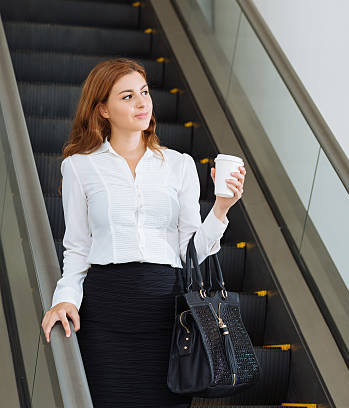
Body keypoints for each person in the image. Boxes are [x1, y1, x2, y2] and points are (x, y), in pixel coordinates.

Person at [40, 57, 246, 408]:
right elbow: (76, 249)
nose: (142, 102)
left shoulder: (179, 164)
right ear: (102, 109)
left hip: (167, 312)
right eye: (127, 96)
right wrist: (65, 299)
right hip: (106, 310)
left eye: (145, 92)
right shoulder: (79, 167)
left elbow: (190, 250)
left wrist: (221, 208)